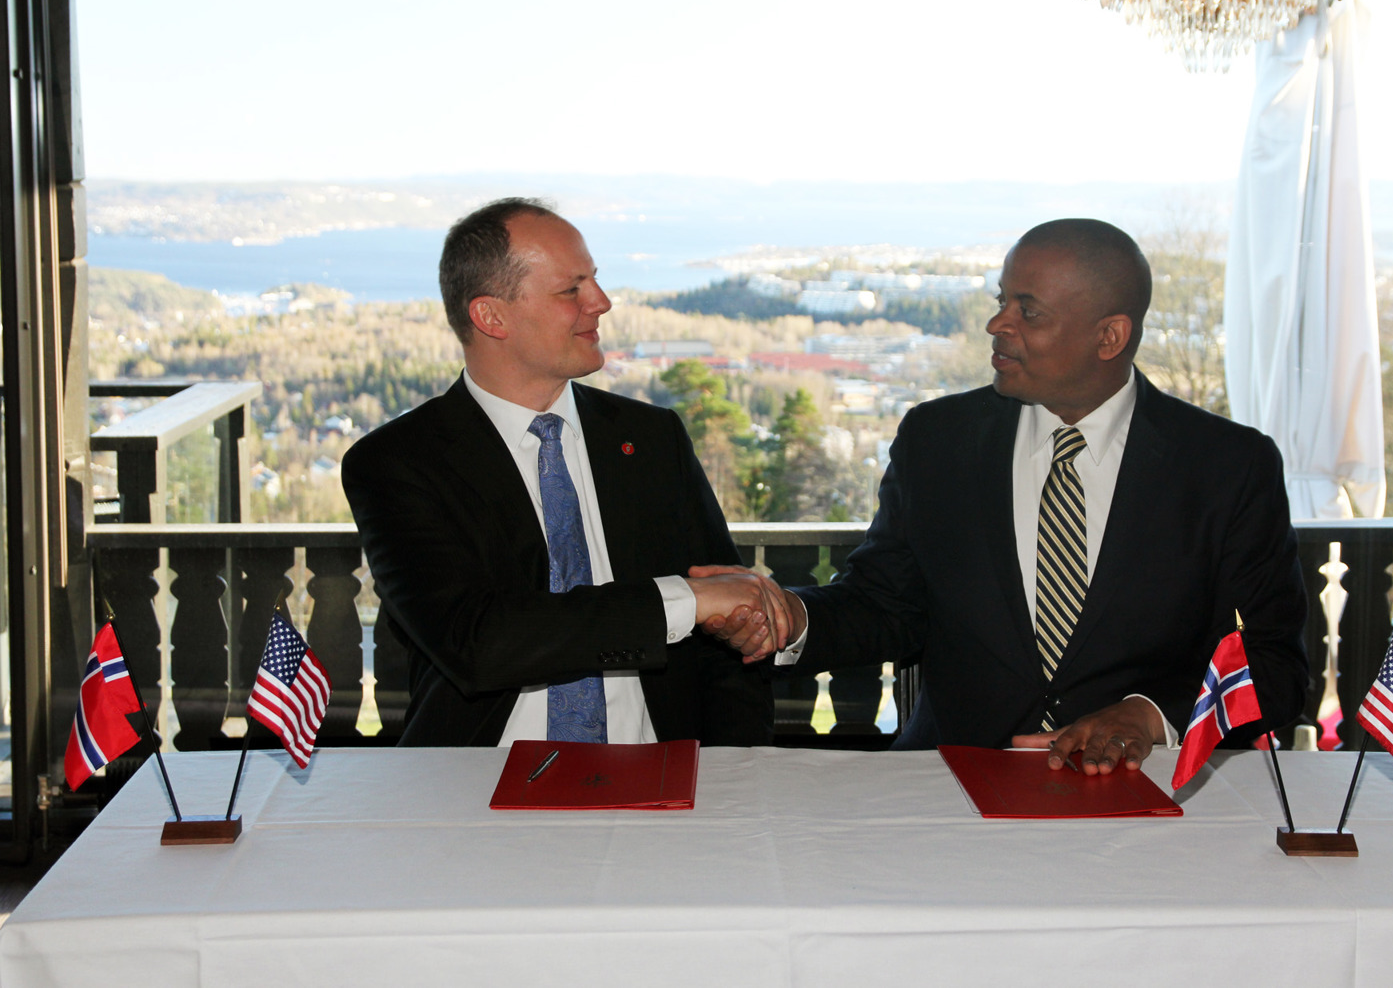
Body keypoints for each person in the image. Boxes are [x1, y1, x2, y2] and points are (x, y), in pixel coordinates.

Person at [700, 218, 1308, 774]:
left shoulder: (1227, 466)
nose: (997, 325)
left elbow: (1275, 667)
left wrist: (1149, 717)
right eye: (1001, 301)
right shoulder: (938, 440)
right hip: (949, 791)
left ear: (1109, 337)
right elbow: (885, 604)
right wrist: (791, 615)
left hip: (1139, 798)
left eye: (1029, 312)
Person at [343, 197, 783, 747]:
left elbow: (728, 633)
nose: (601, 302)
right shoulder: (398, 463)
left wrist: (735, 763)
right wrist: (685, 601)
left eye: (594, 279)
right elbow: (478, 642)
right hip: (476, 781)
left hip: (661, 773)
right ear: (491, 317)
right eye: (571, 290)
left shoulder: (651, 439)